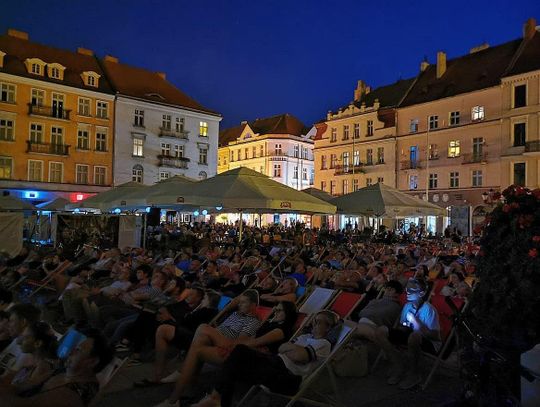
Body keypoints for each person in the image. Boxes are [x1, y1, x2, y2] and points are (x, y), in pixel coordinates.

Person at [154, 301, 297, 406]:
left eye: (280, 311)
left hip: (250, 359)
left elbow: (256, 342)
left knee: (203, 329)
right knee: (200, 343)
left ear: (288, 314)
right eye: (276, 309)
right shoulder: (271, 325)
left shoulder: (281, 330)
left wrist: (231, 345)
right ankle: (176, 396)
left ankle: (176, 393)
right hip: (244, 352)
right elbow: (250, 340)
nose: (276, 312)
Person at [192, 310, 338, 407]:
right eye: (314, 320)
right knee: (239, 354)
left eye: (318, 322)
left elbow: (300, 356)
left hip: (287, 377)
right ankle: (218, 399)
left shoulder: (324, 344)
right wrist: (292, 350)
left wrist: (292, 350)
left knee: (238, 357)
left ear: (329, 327)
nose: (313, 324)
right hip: (274, 364)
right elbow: (282, 348)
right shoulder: (305, 337)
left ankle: (217, 399)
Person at [0, 327, 113, 406]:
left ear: (92, 362)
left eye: (78, 350)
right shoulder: (62, 371)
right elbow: (21, 386)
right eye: (72, 347)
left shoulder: (74, 393)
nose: (69, 352)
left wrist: (11, 375)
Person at [373, 279, 441, 389]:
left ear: (422, 293)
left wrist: (416, 322)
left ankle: (414, 373)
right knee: (381, 331)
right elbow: (403, 328)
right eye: (407, 289)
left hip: (428, 341)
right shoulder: (407, 306)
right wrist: (402, 328)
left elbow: (435, 336)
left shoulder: (429, 310)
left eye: (412, 290)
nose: (408, 292)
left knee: (414, 336)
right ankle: (398, 364)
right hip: (410, 335)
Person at [0, 304, 41, 381]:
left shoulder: (29, 352)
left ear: (23, 322)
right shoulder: (15, 341)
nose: (8, 325)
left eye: (11, 321)